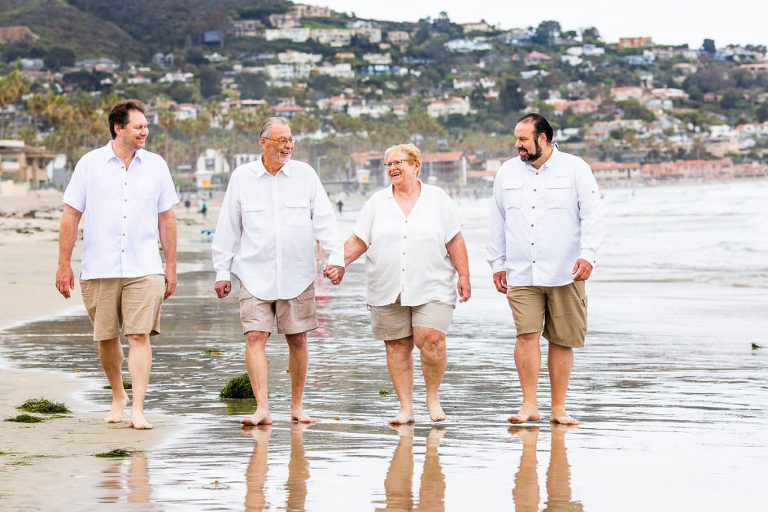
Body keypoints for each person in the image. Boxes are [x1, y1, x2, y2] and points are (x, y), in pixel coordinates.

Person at [212, 117, 344, 426]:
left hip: (297, 274)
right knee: (255, 336)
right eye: (281, 140)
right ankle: (262, 408)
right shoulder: (242, 178)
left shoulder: (305, 175)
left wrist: (336, 258)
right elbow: (228, 227)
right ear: (263, 143)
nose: (288, 145)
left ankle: (296, 407)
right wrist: (222, 271)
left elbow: (325, 219)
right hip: (253, 274)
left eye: (290, 139)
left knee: (297, 340)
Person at [55, 99, 178, 430]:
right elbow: (71, 215)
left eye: (146, 126)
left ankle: (138, 407)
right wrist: (63, 264)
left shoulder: (156, 166)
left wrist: (171, 266)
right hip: (99, 266)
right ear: (118, 128)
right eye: (139, 127)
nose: (145, 132)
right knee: (106, 337)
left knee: (139, 335)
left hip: (145, 266)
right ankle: (117, 396)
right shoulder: (89, 164)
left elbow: (167, 218)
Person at [487, 113, 603, 425]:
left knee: (562, 339)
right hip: (521, 272)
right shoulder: (507, 173)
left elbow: (592, 215)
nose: (517, 145)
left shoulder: (575, 169)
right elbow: (497, 221)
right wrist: (497, 263)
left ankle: (558, 408)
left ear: (542, 139)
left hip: (567, 271)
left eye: (523, 139)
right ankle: (528, 405)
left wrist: (588, 256)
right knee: (526, 335)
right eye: (516, 139)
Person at [344, 143, 470, 425]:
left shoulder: (438, 199)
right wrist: (338, 264)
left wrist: (464, 275)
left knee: (432, 338)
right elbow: (359, 240)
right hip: (386, 284)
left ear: (416, 166)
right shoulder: (376, 202)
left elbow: (454, 239)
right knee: (396, 345)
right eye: (388, 164)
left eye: (399, 162)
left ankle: (432, 397)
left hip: (432, 282)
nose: (393, 168)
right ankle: (405, 407)